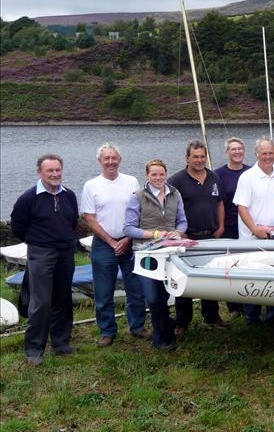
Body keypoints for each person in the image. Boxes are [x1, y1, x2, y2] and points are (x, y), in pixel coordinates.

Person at [11, 154, 78, 366]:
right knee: (41, 301)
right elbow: (18, 227)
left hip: (66, 252)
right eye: (50, 171)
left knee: (63, 297)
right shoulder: (28, 198)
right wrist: (39, 242)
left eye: (58, 170)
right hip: (41, 253)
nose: (55, 174)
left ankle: (60, 343)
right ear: (39, 172)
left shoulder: (69, 196)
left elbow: (73, 221)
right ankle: (34, 349)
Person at [81, 143, 148, 346]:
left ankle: (137, 327)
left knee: (135, 288)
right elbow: (90, 218)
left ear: (120, 160)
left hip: (130, 242)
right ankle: (107, 331)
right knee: (103, 291)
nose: (110, 162)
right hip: (103, 244)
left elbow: (139, 212)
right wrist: (111, 241)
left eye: (114, 158)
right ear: (99, 161)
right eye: (106, 158)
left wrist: (127, 239)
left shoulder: (131, 181)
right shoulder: (91, 185)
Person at [124, 159, 187, 351]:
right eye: (154, 174)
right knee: (152, 297)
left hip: (170, 253)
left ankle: (164, 334)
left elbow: (183, 221)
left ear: (166, 174)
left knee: (165, 294)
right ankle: (162, 338)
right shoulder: (138, 196)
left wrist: (178, 232)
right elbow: (128, 228)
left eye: (161, 174)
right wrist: (155, 234)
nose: (158, 178)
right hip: (147, 254)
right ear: (147, 176)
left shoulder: (175, 194)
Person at [234, 137, 274, 324]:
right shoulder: (247, 177)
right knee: (252, 277)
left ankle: (273, 315)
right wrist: (255, 229)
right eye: (264, 153)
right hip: (252, 239)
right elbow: (242, 207)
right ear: (257, 154)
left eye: (271, 153)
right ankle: (252, 317)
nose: (268, 157)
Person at [168, 140, 226, 333]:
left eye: (203, 156)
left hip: (210, 236)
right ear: (187, 158)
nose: (200, 160)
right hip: (187, 237)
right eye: (196, 156)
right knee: (184, 279)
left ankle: (211, 315)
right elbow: (169, 208)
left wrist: (221, 227)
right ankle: (182, 321)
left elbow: (219, 204)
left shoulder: (214, 177)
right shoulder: (176, 180)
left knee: (210, 278)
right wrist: (177, 232)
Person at [214, 137, 251, 317]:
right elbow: (217, 202)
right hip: (228, 226)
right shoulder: (218, 174)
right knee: (231, 266)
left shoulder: (251, 172)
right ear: (227, 152)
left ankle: (251, 301)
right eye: (233, 149)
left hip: (249, 226)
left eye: (240, 149)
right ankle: (234, 306)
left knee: (248, 264)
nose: (237, 152)